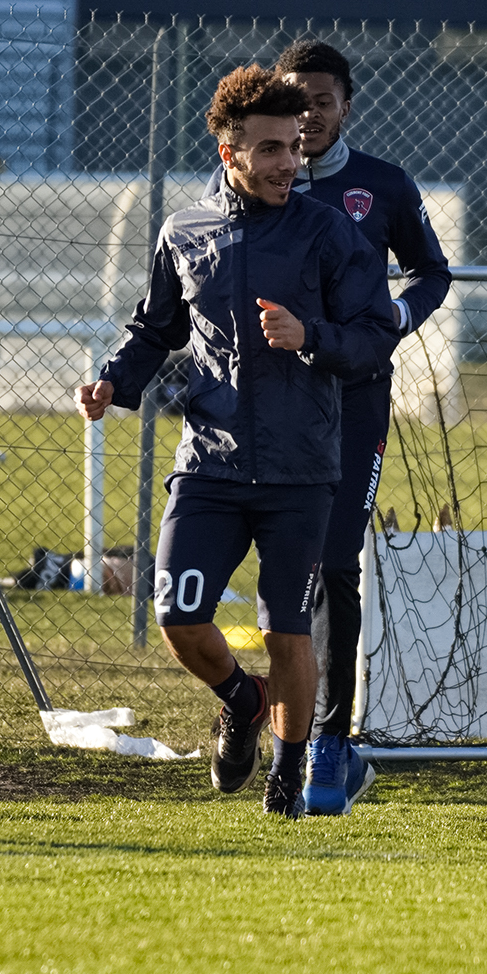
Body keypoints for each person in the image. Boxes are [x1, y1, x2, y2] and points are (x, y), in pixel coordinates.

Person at [79, 65, 396, 819]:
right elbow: (155, 328)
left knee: (287, 624)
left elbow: (375, 334)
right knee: (178, 617)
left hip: (300, 469)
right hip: (210, 464)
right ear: (229, 154)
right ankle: (241, 699)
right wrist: (112, 382)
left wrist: (309, 336)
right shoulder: (185, 232)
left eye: (294, 146)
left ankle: (288, 774)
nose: (290, 161)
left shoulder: (329, 233)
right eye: (270, 150)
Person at [204, 39, 452, 817]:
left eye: (321, 100)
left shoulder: (379, 187)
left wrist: (396, 317)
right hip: (262, 412)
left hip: (352, 400)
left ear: (347, 105)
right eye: (293, 100)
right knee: (265, 571)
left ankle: (332, 749)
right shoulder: (240, 186)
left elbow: (431, 269)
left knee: (335, 567)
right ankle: (253, 712)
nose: (307, 115)